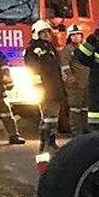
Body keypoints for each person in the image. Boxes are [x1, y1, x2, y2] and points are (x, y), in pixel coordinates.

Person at [24, 19, 65, 152]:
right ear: (37, 33)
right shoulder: (32, 49)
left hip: (54, 86)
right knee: (48, 116)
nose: (47, 34)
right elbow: (32, 67)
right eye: (44, 32)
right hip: (44, 88)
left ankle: (49, 140)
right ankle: (46, 142)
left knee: (53, 117)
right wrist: (38, 87)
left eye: (48, 32)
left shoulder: (50, 47)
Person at [61, 24, 89, 134]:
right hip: (75, 84)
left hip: (86, 83)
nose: (76, 37)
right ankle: (75, 131)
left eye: (78, 34)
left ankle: (86, 129)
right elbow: (64, 65)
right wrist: (70, 77)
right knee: (75, 108)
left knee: (86, 108)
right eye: (73, 35)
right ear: (69, 37)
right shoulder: (68, 50)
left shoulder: (84, 48)